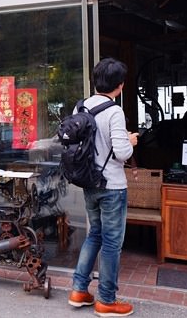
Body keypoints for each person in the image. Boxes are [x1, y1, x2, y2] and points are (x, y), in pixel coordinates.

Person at [68, 57, 139, 317]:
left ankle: (79, 290)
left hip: (89, 183)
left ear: (96, 81)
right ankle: (107, 300)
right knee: (111, 243)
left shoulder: (81, 107)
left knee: (94, 234)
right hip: (112, 187)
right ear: (120, 86)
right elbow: (121, 153)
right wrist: (131, 140)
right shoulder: (114, 111)